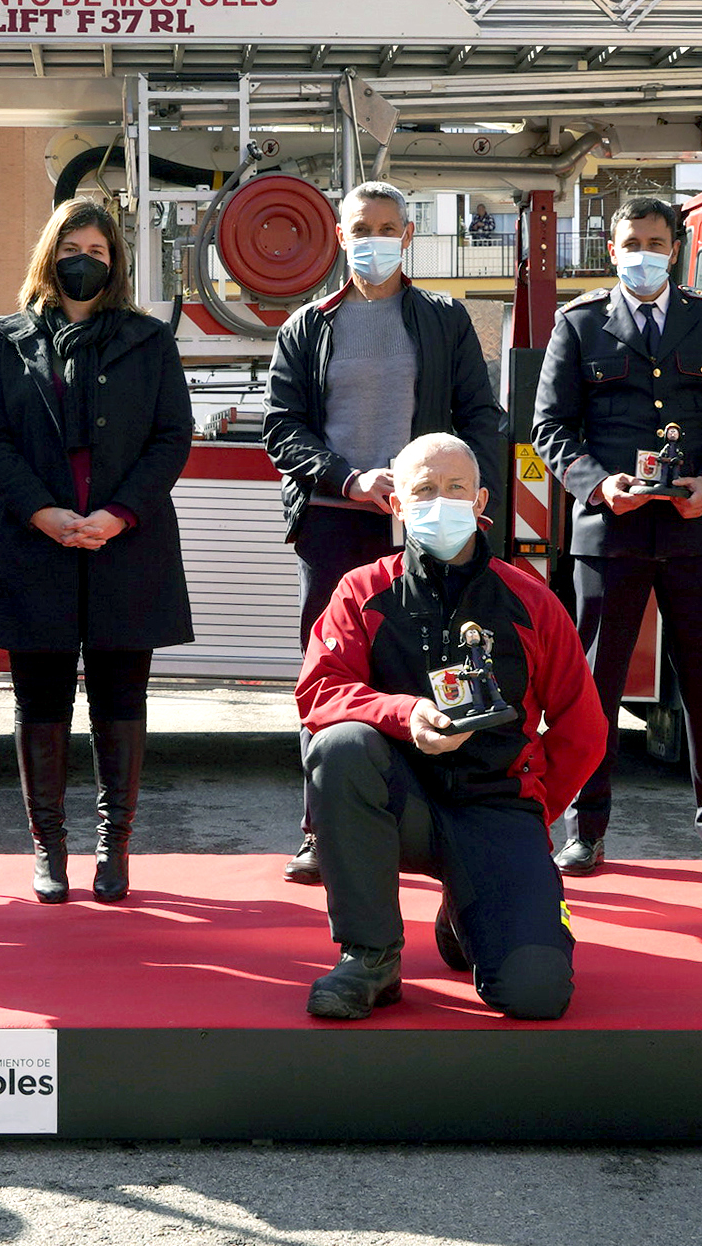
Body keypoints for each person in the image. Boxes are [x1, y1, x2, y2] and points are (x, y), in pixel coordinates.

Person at [298, 433, 605, 1021]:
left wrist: (534, 808)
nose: (441, 502)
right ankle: (371, 957)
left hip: (496, 808)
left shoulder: (531, 600)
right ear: (396, 505)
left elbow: (583, 728)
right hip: (399, 803)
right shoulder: (361, 591)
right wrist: (405, 714)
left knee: (536, 994)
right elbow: (319, 691)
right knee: (338, 746)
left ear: (482, 499)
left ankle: (466, 905)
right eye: (424, 490)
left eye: (455, 489)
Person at [263, 180, 505, 885]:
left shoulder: (441, 318)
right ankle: (320, 826)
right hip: (333, 528)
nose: (373, 237)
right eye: (360, 226)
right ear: (340, 237)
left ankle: (441, 821)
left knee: (433, 668)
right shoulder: (306, 324)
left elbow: (477, 415)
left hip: (424, 527)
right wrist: (346, 478)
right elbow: (282, 427)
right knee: (330, 677)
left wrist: (470, 503)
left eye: (387, 226)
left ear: (406, 235)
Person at [532, 195, 702, 882]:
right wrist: (598, 485)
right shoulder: (577, 324)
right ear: (611, 249)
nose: (644, 252)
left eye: (656, 240)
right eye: (631, 241)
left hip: (694, 529)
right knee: (592, 687)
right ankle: (585, 828)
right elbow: (550, 427)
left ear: (675, 248)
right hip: (611, 530)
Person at [0, 200, 195, 904]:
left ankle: (113, 847)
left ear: (115, 262)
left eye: (98, 249)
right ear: (48, 253)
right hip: (33, 545)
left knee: (119, 698)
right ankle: (48, 849)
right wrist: (42, 512)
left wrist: (116, 514)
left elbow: (171, 437)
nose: (84, 259)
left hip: (126, 545)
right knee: (38, 701)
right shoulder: (6, 341)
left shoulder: (147, 340)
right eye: (72, 245)